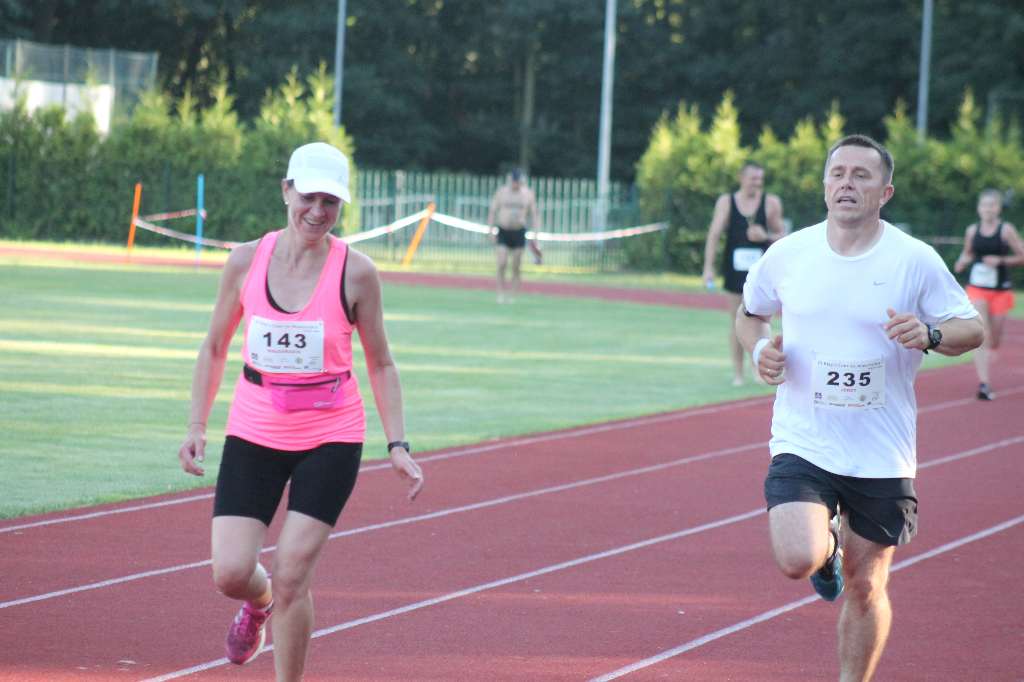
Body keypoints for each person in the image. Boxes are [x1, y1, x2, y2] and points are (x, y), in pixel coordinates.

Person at [736, 135, 983, 682]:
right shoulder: (790, 254)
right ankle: (824, 551)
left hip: (881, 449)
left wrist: (930, 332)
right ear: (825, 186)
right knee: (796, 558)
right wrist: (760, 349)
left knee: (868, 584)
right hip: (805, 437)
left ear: (885, 191)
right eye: (837, 173)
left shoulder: (914, 259)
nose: (847, 183)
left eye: (861, 176)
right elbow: (750, 313)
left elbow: (973, 328)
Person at [177, 142, 424, 682]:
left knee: (292, 574)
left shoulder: (357, 274)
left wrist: (398, 445)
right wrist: (197, 426)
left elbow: (381, 364)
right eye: (308, 197)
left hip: (330, 434)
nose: (317, 211)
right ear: (286, 190)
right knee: (232, 572)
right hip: (255, 426)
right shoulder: (245, 260)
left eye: (331, 202)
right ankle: (257, 604)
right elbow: (215, 345)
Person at [702, 161, 785, 386]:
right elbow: (715, 234)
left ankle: (757, 366)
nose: (757, 183)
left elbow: (783, 237)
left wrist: (765, 236)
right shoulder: (727, 202)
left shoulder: (771, 202)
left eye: (760, 179)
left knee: (761, 318)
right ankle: (738, 374)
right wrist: (708, 268)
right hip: (734, 268)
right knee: (736, 319)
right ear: (742, 178)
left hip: (761, 272)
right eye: (753, 178)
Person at [953, 189, 1024, 400]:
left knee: (993, 340)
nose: (988, 209)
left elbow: (1021, 256)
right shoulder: (972, 230)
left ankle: (995, 338)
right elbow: (968, 251)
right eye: (985, 205)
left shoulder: (1006, 230)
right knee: (981, 334)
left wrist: (1001, 261)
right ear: (979, 208)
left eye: (992, 205)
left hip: (1000, 289)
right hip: (977, 287)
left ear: (999, 208)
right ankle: (984, 384)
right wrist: (962, 261)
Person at [487, 167, 539, 304]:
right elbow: (492, 211)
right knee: (502, 263)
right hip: (503, 231)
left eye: (518, 181)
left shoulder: (528, 194)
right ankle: (500, 294)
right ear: (510, 179)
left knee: (516, 265)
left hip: (519, 231)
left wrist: (535, 234)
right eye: (514, 181)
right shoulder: (501, 193)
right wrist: (490, 231)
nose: (516, 184)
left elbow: (533, 215)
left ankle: (512, 296)